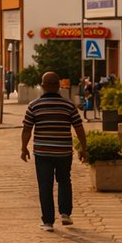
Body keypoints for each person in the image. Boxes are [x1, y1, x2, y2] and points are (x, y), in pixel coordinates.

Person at [21, 71, 89, 232]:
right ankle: (65, 213)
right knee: (64, 181)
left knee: (45, 186)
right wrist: (84, 148)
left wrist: (24, 148)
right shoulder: (69, 105)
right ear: (59, 86)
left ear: (43, 86)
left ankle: (48, 222)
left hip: (42, 153)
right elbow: (79, 128)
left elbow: (26, 129)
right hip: (63, 152)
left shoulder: (34, 105)